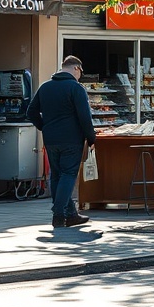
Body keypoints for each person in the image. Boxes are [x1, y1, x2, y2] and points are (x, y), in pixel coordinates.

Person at [27, 55, 96, 228]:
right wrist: (91, 137)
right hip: (71, 139)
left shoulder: (45, 87)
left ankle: (71, 215)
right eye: (80, 72)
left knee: (56, 174)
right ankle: (58, 214)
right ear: (76, 68)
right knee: (68, 174)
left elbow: (31, 112)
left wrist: (44, 126)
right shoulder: (76, 88)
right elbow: (84, 117)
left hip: (51, 139)